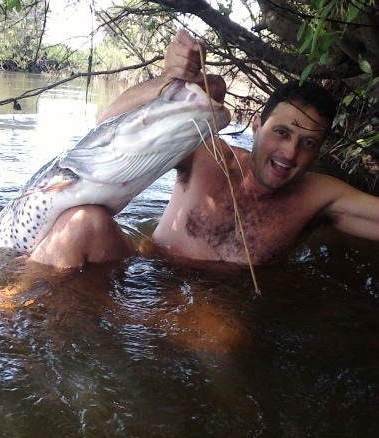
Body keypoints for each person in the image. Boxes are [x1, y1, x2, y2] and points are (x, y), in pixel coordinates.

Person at [28, 29, 379, 269]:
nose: (289, 153)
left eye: (308, 143)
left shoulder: (319, 198)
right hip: (141, 277)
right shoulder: (206, 152)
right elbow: (107, 126)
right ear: (256, 126)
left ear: (319, 151)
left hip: (217, 310)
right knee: (82, 223)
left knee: (220, 335)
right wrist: (167, 81)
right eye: (282, 132)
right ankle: (10, 309)